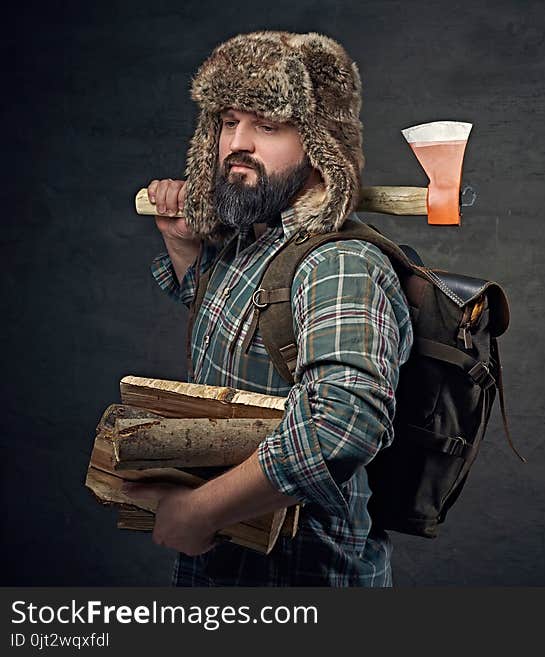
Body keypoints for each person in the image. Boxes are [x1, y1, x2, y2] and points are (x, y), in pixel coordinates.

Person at [124, 31, 413, 587]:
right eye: (229, 121)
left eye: (268, 125)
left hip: (302, 576)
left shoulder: (341, 264)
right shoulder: (252, 240)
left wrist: (201, 510)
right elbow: (237, 344)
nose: (238, 143)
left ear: (318, 144)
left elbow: (342, 426)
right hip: (224, 568)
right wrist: (184, 244)